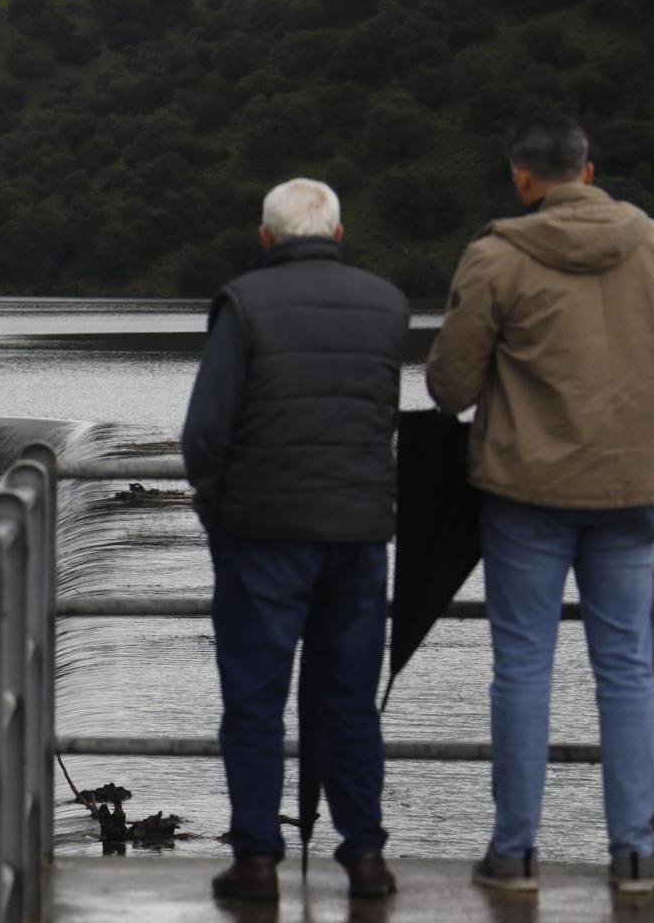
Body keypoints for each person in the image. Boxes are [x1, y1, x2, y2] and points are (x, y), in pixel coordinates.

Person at [427, 115, 654, 894]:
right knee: (628, 671)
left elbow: (450, 387)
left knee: (523, 670)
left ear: (522, 179)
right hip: (635, 488)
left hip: (527, 493)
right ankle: (635, 857)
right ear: (591, 171)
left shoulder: (497, 257)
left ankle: (515, 856)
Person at [183, 178, 409, 902]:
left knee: (255, 699)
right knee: (349, 697)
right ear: (339, 235)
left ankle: (257, 861)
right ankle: (366, 857)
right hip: (360, 536)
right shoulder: (388, 305)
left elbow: (206, 434)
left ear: (266, 238)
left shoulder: (244, 304)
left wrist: (220, 514)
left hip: (263, 534)